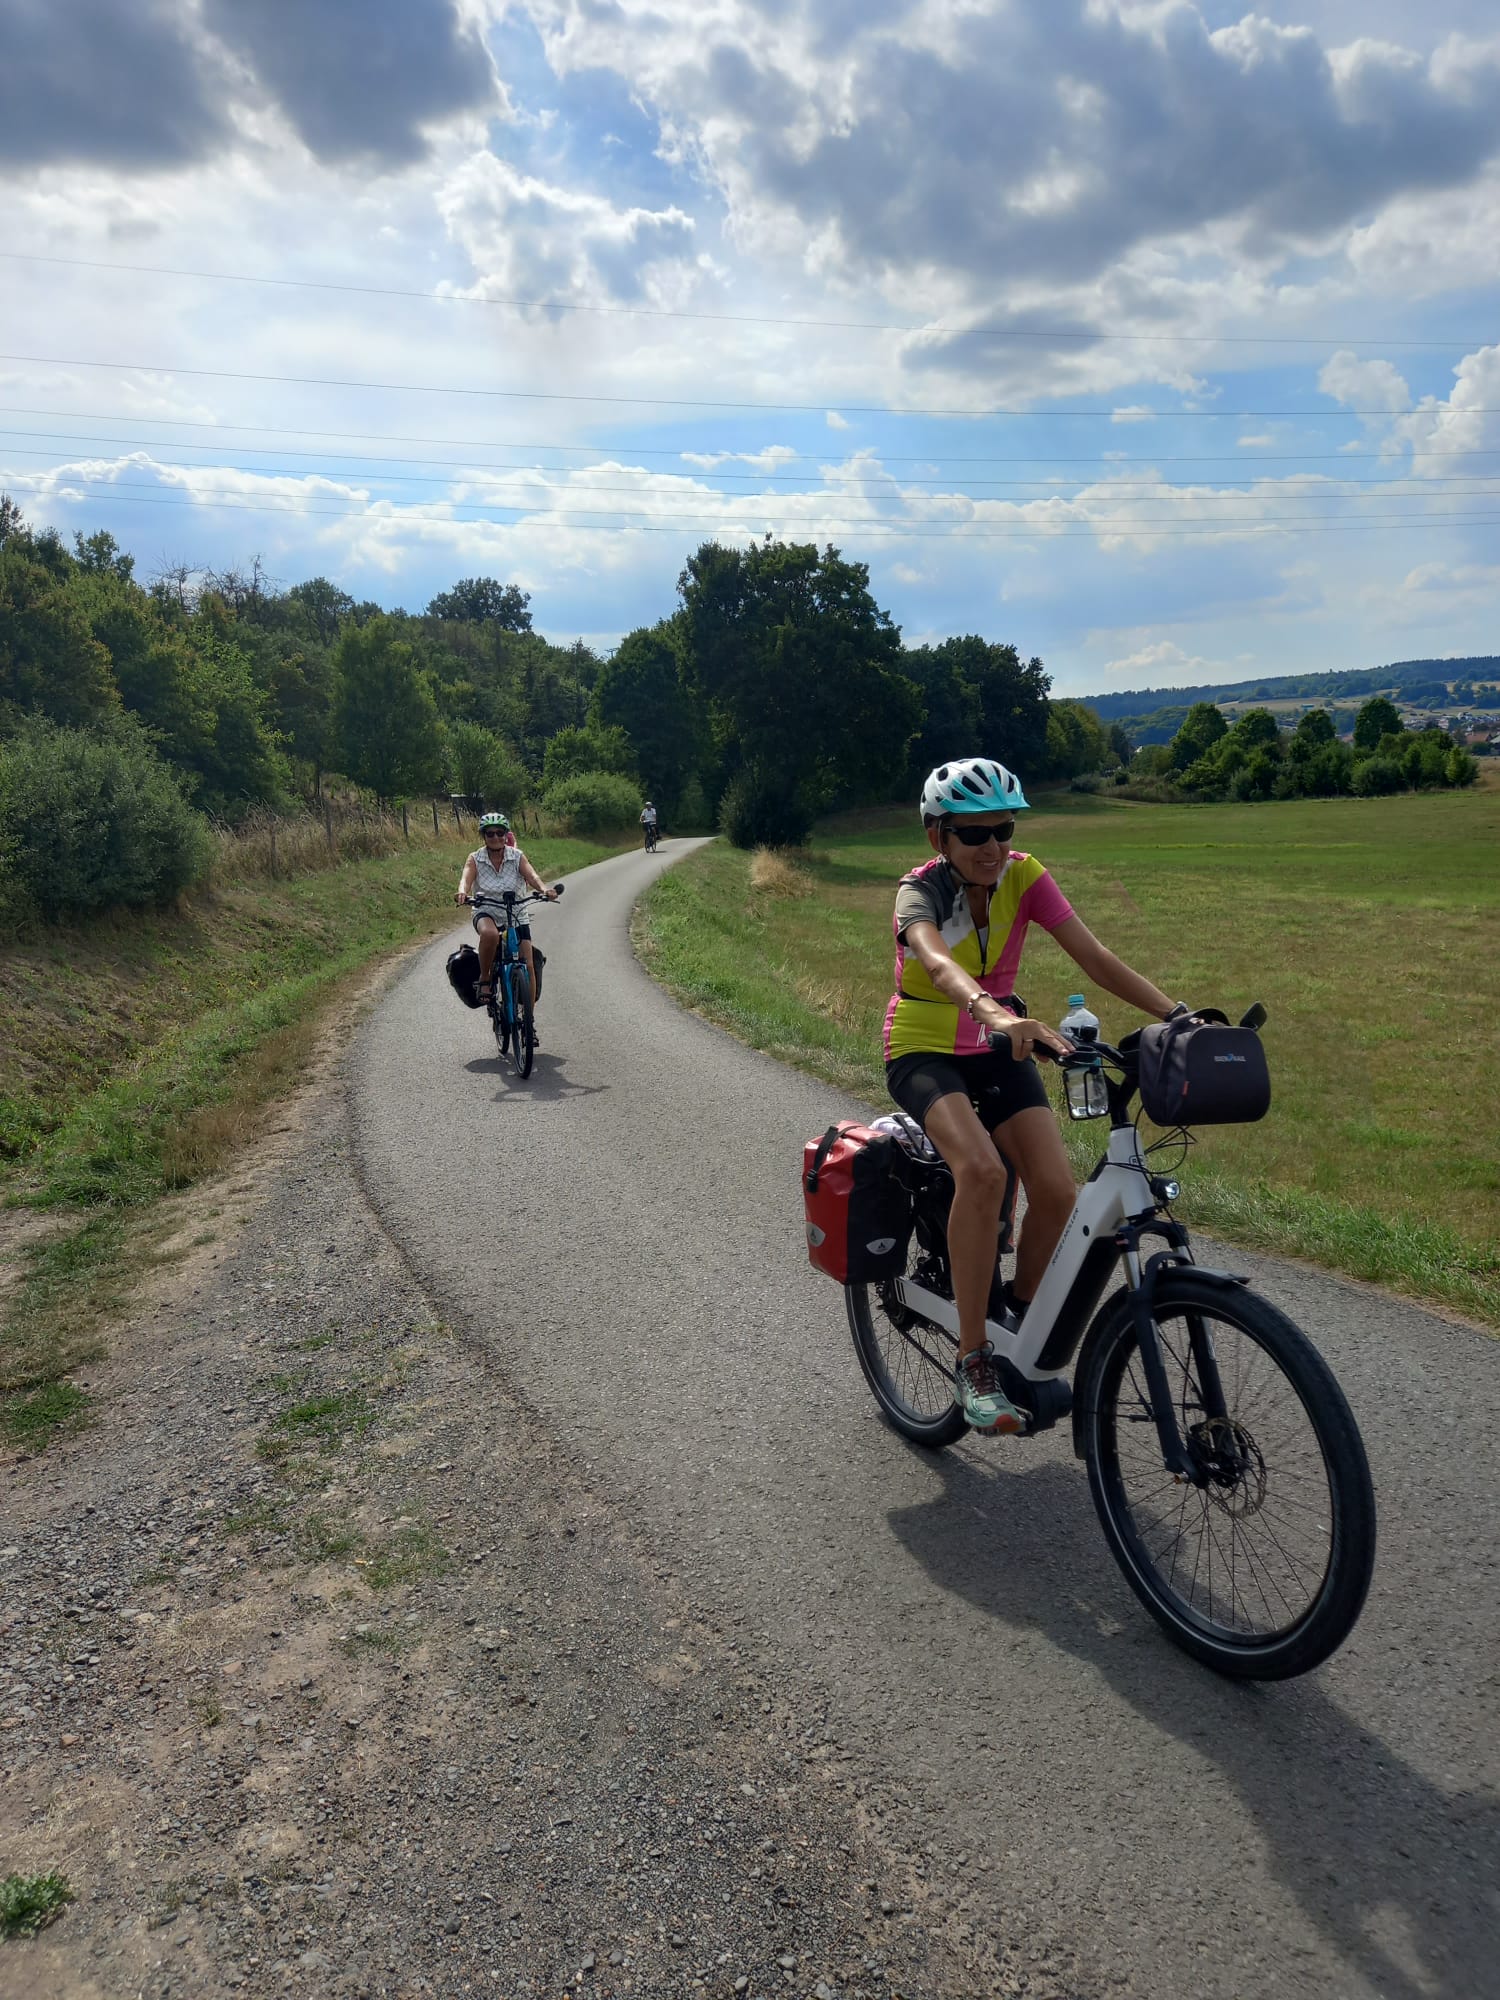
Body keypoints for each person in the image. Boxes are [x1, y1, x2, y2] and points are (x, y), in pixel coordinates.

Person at [885, 758, 1183, 1435]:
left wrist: (1180, 1014)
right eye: (974, 833)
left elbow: (1096, 957)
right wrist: (992, 1012)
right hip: (925, 1050)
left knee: (1056, 1191)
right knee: (983, 1171)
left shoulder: (1025, 873)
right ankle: (973, 1361)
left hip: (999, 1049)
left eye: (1003, 828)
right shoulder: (918, 891)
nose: (993, 846)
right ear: (939, 837)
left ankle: (1015, 1319)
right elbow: (935, 960)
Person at [456, 812, 558, 1023]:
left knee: (528, 964)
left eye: (500, 833)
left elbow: (531, 875)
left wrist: (544, 889)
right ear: (483, 836)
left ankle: (529, 1020)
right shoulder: (475, 858)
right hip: (487, 910)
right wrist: (463, 892)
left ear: (506, 835)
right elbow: (466, 877)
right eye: (490, 833)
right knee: (490, 934)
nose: (495, 838)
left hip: (516, 911)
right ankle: (485, 979)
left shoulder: (517, 856)